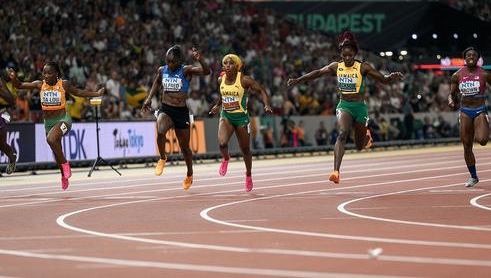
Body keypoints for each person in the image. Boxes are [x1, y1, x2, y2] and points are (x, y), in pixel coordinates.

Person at [287, 31, 404, 184]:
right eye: (344, 55)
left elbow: (383, 79)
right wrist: (298, 80)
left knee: (359, 147)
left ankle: (366, 135)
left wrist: (390, 78)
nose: (347, 58)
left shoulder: (363, 67)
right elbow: (318, 73)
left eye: (350, 55)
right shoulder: (336, 66)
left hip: (360, 107)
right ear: (341, 54)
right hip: (345, 106)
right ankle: (336, 172)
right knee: (342, 133)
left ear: (355, 54)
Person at [8, 63, 104, 189]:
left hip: (63, 120)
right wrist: (14, 78)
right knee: (57, 153)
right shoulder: (40, 84)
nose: (46, 76)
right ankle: (63, 175)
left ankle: (65, 164)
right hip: (48, 123)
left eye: (49, 73)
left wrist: (96, 94)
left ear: (56, 73)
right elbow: (19, 85)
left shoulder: (63, 84)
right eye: (44, 73)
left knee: (51, 139)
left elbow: (78, 92)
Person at [142, 45, 210, 190]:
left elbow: (207, 71)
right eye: (167, 61)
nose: (169, 64)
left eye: (172, 62)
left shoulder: (186, 70)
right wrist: (149, 98)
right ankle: (162, 157)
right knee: (160, 130)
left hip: (181, 112)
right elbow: (157, 82)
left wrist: (201, 60)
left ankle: (189, 174)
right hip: (166, 108)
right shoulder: (162, 70)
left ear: (179, 61)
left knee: (185, 147)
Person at [209, 54, 272, 192]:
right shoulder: (221, 80)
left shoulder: (244, 80)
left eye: (231, 64)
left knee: (245, 150)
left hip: (241, 119)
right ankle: (226, 158)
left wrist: (266, 104)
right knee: (222, 143)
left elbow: (261, 90)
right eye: (225, 63)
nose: (227, 66)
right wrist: (218, 105)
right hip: (226, 116)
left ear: (237, 66)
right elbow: (223, 94)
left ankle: (248, 175)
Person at [448, 47, 491, 187]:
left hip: (480, 109)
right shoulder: (457, 75)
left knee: (482, 140)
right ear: (464, 58)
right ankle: (473, 176)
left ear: (478, 58)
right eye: (468, 55)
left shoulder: (485, 74)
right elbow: (452, 93)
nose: (471, 57)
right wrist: (451, 100)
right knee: (466, 145)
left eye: (474, 55)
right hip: (465, 111)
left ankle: (481, 127)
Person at [0, 70, 17, 174]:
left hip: (2, 113)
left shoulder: (1, 82)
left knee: (1, 144)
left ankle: (11, 158)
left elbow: (11, 100)